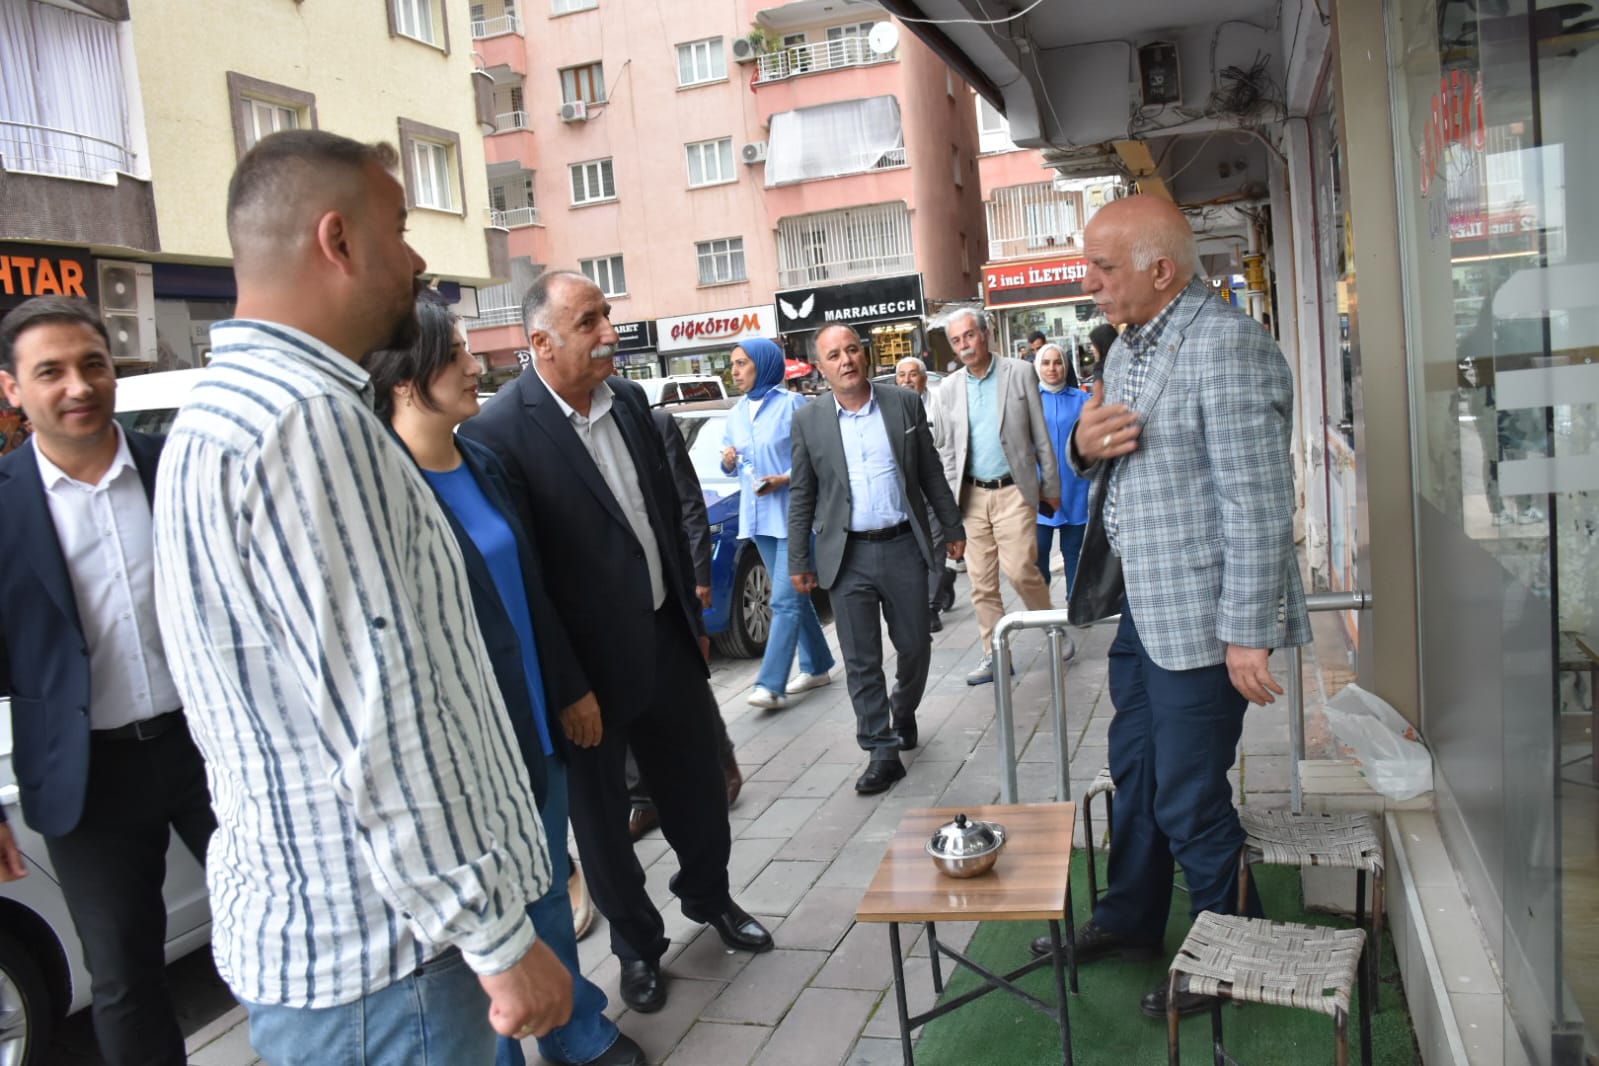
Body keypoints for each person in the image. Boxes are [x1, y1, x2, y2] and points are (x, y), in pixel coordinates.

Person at [151, 130, 572, 1066]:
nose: (420, 261)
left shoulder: (219, 413)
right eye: (401, 226)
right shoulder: (308, 422)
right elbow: (387, 716)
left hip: (337, 956)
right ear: (337, 242)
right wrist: (501, 943)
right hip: (389, 967)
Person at [1028, 194, 1311, 1019]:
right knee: (1141, 776)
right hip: (1143, 614)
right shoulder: (1126, 346)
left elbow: (1258, 505)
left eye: (1102, 267)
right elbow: (1101, 457)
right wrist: (1080, 448)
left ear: (1161, 270)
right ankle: (1130, 920)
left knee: (1189, 795)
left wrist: (1247, 636)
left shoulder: (1226, 348)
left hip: (1201, 625)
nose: (1088, 284)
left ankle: (1234, 953)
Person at [460, 270, 772, 1017]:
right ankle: (637, 947)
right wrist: (568, 687)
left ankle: (710, 898)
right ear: (541, 342)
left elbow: (664, 509)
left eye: (608, 315)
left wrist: (691, 623)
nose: (610, 333)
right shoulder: (498, 433)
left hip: (666, 643)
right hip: (588, 680)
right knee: (602, 829)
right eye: (590, 322)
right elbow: (528, 577)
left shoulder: (629, 401)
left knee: (698, 790)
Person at [368, 300, 642, 1066]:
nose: (473, 364)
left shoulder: (482, 463)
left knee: (548, 881)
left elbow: (535, 589)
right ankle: (505, 1049)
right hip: (461, 747)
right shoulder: (384, 489)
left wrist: (567, 686)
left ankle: (576, 1032)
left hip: (533, 724)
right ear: (407, 375)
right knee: (485, 913)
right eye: (454, 352)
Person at [0, 296, 217, 1066]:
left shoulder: (176, 473)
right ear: (12, 389)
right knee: (124, 976)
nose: (79, 386)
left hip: (208, 749)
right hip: (86, 778)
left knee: (286, 921)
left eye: (93, 364)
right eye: (50, 371)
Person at [788, 324, 965, 794]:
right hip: (846, 556)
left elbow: (929, 469)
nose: (845, 360)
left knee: (915, 646)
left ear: (864, 356)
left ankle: (902, 711)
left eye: (851, 350)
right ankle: (881, 750)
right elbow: (802, 496)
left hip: (904, 545)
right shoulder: (808, 421)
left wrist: (952, 526)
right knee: (861, 658)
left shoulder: (902, 404)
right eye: (833, 355)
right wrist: (798, 559)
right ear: (821, 368)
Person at [928, 308, 1065, 684]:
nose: (964, 346)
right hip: (970, 497)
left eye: (969, 336)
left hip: (1014, 491)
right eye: (956, 341)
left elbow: (1040, 437)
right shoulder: (949, 388)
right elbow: (949, 453)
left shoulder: (1019, 373)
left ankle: (1053, 628)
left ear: (985, 334)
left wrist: (1050, 489)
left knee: (1021, 569)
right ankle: (995, 656)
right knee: (981, 583)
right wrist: (949, 512)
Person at [626, 408, 743, 841]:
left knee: (689, 677)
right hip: (618, 591)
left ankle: (723, 761)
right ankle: (643, 798)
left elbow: (690, 506)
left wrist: (699, 577)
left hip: (670, 583)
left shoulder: (653, 425)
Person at [719, 338, 835, 709]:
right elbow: (729, 465)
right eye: (733, 365)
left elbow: (817, 459)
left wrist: (783, 479)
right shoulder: (736, 413)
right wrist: (728, 460)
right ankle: (817, 665)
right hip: (758, 521)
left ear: (764, 365)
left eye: (742, 364)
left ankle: (770, 684)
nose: (735, 372)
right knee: (793, 599)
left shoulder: (792, 405)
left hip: (795, 518)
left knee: (783, 601)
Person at [895, 355, 957, 630]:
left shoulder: (939, 405)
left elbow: (950, 445)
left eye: (913, 375)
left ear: (924, 378)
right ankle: (944, 581)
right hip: (903, 491)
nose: (907, 380)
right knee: (914, 550)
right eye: (901, 375)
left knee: (935, 544)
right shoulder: (890, 408)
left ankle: (931, 606)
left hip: (933, 484)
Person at [1033, 343, 1091, 593]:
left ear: (1065, 366)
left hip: (1075, 488)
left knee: (1074, 553)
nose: (1052, 368)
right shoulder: (1027, 400)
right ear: (1037, 366)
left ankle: (1076, 603)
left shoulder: (1082, 400)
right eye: (1046, 363)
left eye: (1057, 362)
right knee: (1038, 554)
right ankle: (1042, 610)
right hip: (1039, 491)